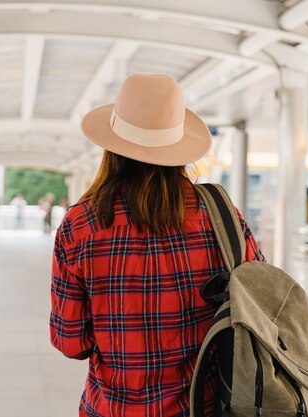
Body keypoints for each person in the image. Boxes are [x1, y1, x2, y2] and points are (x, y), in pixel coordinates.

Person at [49, 74, 265, 417]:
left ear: (112, 148)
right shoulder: (220, 217)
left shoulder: (80, 225)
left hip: (110, 408)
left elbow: (71, 342)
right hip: (203, 407)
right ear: (178, 146)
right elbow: (258, 305)